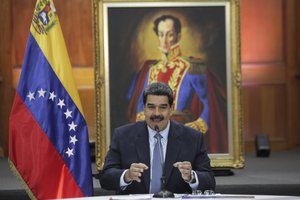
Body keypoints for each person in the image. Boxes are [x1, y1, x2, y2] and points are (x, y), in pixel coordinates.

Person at [127, 14, 228, 153]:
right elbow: (140, 107)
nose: (164, 40)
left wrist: (198, 125)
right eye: (161, 35)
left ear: (178, 36)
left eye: (169, 35)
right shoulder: (150, 69)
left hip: (181, 133)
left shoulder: (192, 67)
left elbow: (209, 102)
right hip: (151, 133)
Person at [100, 82, 215, 194]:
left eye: (162, 108)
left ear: (171, 109)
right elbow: (105, 178)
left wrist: (192, 177)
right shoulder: (123, 136)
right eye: (151, 107)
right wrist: (127, 175)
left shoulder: (192, 138)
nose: (156, 113)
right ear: (144, 109)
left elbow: (209, 182)